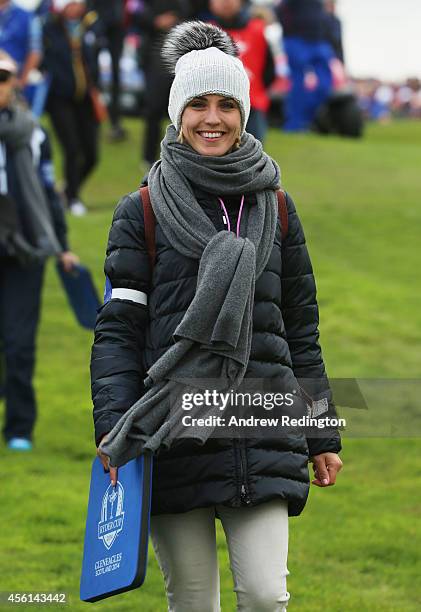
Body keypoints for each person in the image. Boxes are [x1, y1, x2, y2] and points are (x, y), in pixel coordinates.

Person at [92, 21, 343, 610]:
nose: (213, 118)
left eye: (227, 104)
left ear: (244, 112)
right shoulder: (142, 210)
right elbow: (118, 330)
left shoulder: (277, 206)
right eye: (198, 104)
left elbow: (301, 331)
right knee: (193, 601)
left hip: (263, 426)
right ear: (178, 113)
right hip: (171, 433)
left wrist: (322, 430)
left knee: (264, 594)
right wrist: (112, 424)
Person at [0, 51, 79, 451]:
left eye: (3, 77)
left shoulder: (34, 134)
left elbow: (48, 195)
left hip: (26, 250)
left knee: (19, 342)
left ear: (15, 82)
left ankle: (18, 428)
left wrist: (62, 246)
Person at [42, 0, 101, 216]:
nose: (76, 7)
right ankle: (73, 197)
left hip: (86, 98)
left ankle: (67, 189)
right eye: (71, 3)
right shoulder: (47, 28)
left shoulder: (90, 25)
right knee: (72, 149)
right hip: (59, 98)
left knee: (92, 154)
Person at [131, 0, 190, 169]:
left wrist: (175, 19)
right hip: (154, 53)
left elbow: (190, 13)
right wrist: (155, 21)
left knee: (182, 110)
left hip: (180, 53)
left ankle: (183, 155)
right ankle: (149, 157)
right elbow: (135, 13)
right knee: (153, 109)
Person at [208, 0, 275, 142]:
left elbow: (269, 68)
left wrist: (258, 91)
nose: (225, 3)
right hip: (216, 105)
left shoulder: (257, 30)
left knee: (253, 156)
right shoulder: (206, 32)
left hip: (252, 104)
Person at [276, 0, 334, 131]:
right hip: (296, 40)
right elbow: (280, 10)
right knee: (298, 85)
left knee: (325, 86)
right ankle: (294, 124)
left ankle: (306, 118)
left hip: (319, 40)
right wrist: (290, 32)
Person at [88, 0, 128, 142]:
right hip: (99, 21)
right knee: (93, 74)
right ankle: (95, 118)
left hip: (115, 23)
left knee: (114, 77)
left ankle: (114, 122)